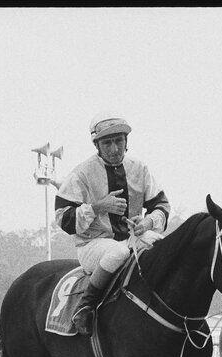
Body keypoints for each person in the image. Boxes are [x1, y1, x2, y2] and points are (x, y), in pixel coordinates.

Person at [54, 111, 170, 336]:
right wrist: (97, 207)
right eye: (107, 143)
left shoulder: (139, 168)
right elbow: (62, 218)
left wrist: (147, 222)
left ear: (126, 142)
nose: (115, 149)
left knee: (165, 248)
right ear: (97, 145)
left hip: (133, 238)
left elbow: (162, 205)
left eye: (119, 141)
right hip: (94, 244)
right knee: (118, 253)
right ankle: (85, 307)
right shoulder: (81, 173)